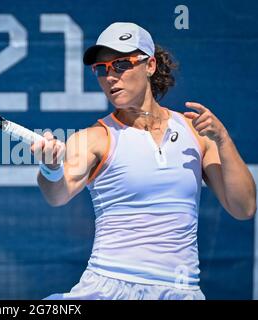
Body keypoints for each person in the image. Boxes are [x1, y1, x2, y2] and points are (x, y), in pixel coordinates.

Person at [31, 22, 256, 300]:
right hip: (109, 288)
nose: (110, 77)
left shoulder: (198, 134)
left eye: (121, 65)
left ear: (149, 66)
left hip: (181, 292)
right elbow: (57, 194)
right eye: (102, 69)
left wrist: (222, 139)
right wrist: (50, 168)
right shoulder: (92, 138)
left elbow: (244, 208)